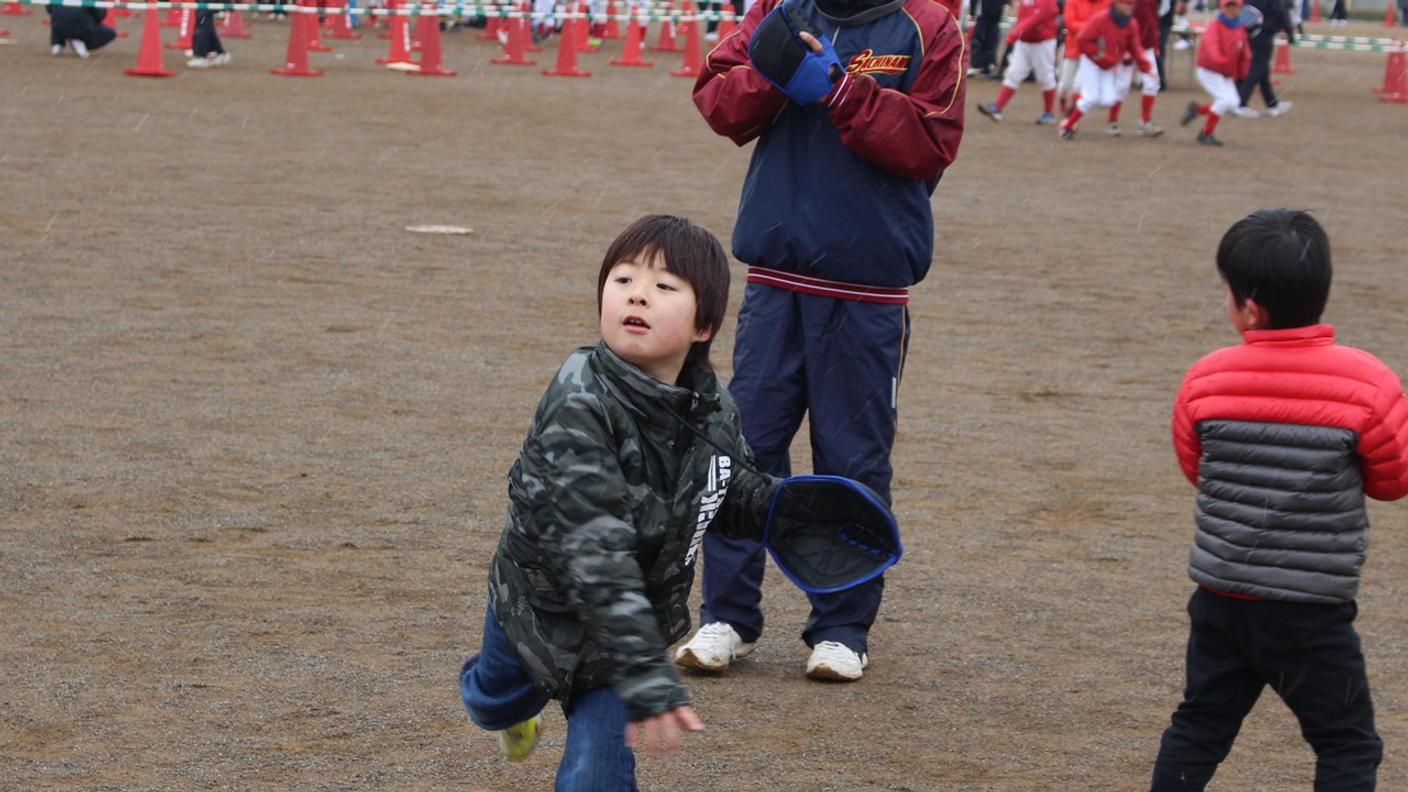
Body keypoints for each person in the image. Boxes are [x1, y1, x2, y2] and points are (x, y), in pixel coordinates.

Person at [456, 215, 897, 789]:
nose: (637, 294)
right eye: (622, 280)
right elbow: (594, 549)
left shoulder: (714, 411)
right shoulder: (578, 400)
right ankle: (513, 712)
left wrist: (775, 509)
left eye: (664, 286)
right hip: (536, 611)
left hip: (627, 634)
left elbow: (720, 489)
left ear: (703, 325)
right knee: (494, 701)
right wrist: (645, 668)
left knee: (597, 776)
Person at [685, 0, 965, 681]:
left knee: (853, 462)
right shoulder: (779, 11)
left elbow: (932, 143)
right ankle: (726, 617)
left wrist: (843, 92)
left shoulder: (928, 26)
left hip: (868, 290)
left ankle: (842, 629)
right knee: (742, 451)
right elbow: (718, 102)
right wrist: (772, 77)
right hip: (775, 280)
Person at [1149, 207, 1408, 791]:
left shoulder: (1206, 378)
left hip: (1221, 599)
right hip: (1310, 608)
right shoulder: (1369, 383)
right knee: (1346, 743)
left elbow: (1200, 470)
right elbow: (1393, 481)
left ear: (1249, 308)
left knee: (1200, 725)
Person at [1057, 0, 1153, 139]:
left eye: (1132, 4)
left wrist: (1146, 67)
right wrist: (1097, 53)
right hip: (1091, 61)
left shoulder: (1131, 23)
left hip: (1108, 64)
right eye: (1127, 4)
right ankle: (1067, 126)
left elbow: (1136, 48)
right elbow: (1083, 39)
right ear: (1117, 3)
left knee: (1108, 100)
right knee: (1090, 97)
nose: (1130, 7)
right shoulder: (1101, 19)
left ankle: (1076, 104)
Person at [977, 0, 1062, 124]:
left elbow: (1039, 17)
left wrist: (1016, 32)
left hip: (1043, 42)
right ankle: (997, 107)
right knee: (1014, 73)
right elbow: (1023, 16)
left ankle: (1049, 113)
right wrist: (1018, 32)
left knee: (1045, 76)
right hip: (1024, 40)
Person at [1177, 0, 1249, 145]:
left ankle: (1197, 110)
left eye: (1235, 6)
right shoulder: (1215, 25)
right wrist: (1221, 60)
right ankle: (1205, 133)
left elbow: (1244, 53)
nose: (1232, 10)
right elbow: (1211, 47)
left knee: (1234, 104)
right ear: (1222, 8)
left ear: (1239, 8)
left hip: (1225, 73)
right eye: (1228, 6)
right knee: (1224, 101)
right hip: (1209, 70)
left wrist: (1242, 74)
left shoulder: (1239, 27)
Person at [1106, 0, 1165, 136]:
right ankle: (1112, 122)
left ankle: (1145, 121)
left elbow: (1153, 19)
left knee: (1153, 82)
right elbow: (1113, 16)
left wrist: (1155, 44)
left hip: (1146, 45)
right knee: (1122, 85)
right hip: (1127, 43)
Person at [1232, 0, 1293, 117]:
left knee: (1262, 69)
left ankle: (1272, 104)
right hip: (1264, 34)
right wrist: (1289, 32)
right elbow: (1281, 12)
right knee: (1256, 69)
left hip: (1248, 33)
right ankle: (1240, 103)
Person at [1056, 0, 1110, 115]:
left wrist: (1091, 29)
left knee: (1078, 87)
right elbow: (1070, 23)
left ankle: (1070, 118)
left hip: (1091, 51)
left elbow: (1107, 24)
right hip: (1072, 48)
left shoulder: (1106, 2)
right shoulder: (1073, 2)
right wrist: (1092, 28)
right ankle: (1064, 113)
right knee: (1064, 86)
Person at [46, 3, 116, 57]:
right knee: (110, 33)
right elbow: (99, 14)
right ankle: (79, 41)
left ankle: (57, 43)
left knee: (61, 20)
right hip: (79, 28)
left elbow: (49, 8)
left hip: (58, 26)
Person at [970, 0, 1010, 77]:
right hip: (981, 16)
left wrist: (997, 11)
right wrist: (972, 11)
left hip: (993, 16)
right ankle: (977, 65)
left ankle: (988, 65)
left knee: (990, 41)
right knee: (978, 40)